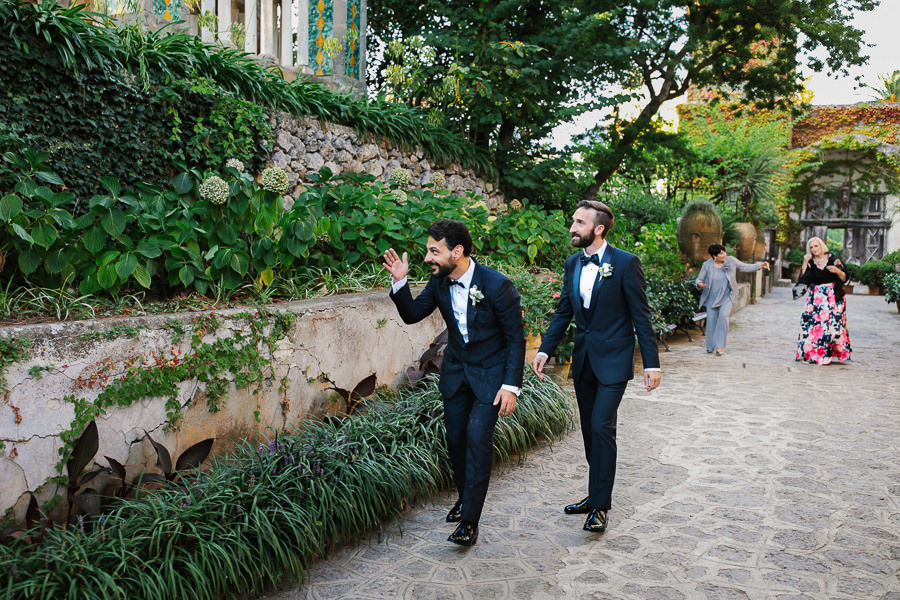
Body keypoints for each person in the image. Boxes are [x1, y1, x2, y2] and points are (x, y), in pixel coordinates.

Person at [382, 219, 525, 546]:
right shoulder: (440, 282)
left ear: (457, 251)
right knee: (457, 441)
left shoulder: (498, 285)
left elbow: (516, 340)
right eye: (428, 250)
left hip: (492, 377)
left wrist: (511, 386)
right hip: (457, 374)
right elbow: (412, 314)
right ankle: (464, 496)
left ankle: (470, 522)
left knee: (477, 438)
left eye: (435, 251)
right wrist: (400, 282)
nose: (428, 257)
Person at [530, 200, 660, 534]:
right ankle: (593, 495)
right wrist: (546, 349)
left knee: (603, 427)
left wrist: (652, 364)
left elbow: (641, 317)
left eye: (579, 222)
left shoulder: (626, 264)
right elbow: (564, 313)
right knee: (589, 431)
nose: (572, 227)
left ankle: (600, 507)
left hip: (615, 361)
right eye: (573, 221)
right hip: (584, 361)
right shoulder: (573, 263)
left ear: (598, 229)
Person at [695, 244, 770, 355]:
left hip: (728, 295)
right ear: (714, 256)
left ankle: (720, 347)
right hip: (711, 296)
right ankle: (710, 346)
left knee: (723, 317)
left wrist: (760, 266)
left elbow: (744, 266)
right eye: (720, 253)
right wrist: (700, 284)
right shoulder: (706, 265)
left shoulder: (730, 261)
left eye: (724, 252)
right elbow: (698, 279)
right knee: (711, 321)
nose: (724, 254)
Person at [795, 236, 851, 365]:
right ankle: (816, 354)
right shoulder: (810, 262)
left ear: (821, 246)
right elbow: (802, 281)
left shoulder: (833, 259)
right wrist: (805, 263)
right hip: (816, 298)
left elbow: (844, 278)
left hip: (832, 296)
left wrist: (837, 271)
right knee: (812, 326)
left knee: (830, 327)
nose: (814, 249)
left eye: (816, 246)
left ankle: (828, 353)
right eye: (811, 247)